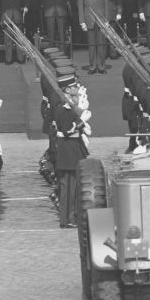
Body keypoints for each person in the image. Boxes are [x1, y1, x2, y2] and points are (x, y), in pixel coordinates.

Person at [52, 74, 89, 228]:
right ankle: (67, 218)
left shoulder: (69, 107)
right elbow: (68, 131)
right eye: (74, 87)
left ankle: (71, 216)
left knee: (73, 187)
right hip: (68, 151)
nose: (76, 88)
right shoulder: (63, 109)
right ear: (67, 89)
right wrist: (82, 122)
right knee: (68, 188)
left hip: (73, 148)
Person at [78, 0, 109, 74]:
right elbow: (80, 6)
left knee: (101, 44)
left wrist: (106, 21)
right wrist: (82, 22)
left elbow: (106, 4)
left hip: (101, 20)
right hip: (88, 20)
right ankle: (92, 67)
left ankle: (101, 67)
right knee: (91, 45)